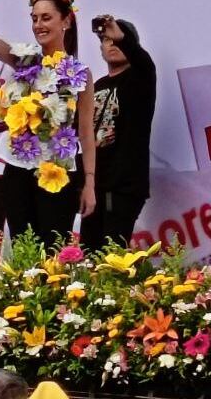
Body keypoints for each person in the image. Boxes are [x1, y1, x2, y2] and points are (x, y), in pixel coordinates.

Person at [0, 0, 96, 246]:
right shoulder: (25, 60)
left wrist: (89, 183)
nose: (39, 24)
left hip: (58, 171)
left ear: (66, 21)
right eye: (34, 18)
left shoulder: (80, 73)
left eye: (46, 17)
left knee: (52, 249)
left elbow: (86, 133)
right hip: (19, 168)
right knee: (23, 248)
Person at [81, 15, 156, 251]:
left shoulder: (140, 77)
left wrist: (122, 37)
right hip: (93, 186)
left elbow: (143, 60)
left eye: (117, 39)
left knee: (111, 257)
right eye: (106, 40)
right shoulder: (97, 85)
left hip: (123, 186)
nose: (112, 44)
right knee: (88, 255)